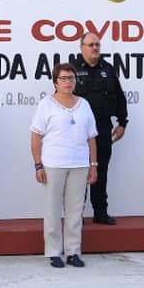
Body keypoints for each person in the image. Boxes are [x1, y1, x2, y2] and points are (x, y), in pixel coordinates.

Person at [31, 63, 99, 268]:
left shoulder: (84, 104)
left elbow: (91, 138)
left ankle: (73, 251)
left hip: (79, 164)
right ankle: (53, 252)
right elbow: (35, 137)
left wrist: (93, 165)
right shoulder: (46, 104)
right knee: (52, 209)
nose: (68, 82)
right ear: (55, 82)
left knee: (75, 210)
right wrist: (38, 165)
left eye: (71, 78)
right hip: (53, 164)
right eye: (63, 78)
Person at [72, 33, 127, 226]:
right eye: (90, 45)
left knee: (100, 171)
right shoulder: (72, 69)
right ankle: (76, 213)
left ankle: (100, 212)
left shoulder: (108, 69)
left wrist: (122, 122)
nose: (95, 48)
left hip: (103, 127)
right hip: (78, 130)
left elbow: (119, 97)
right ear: (82, 48)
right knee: (79, 171)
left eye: (97, 44)